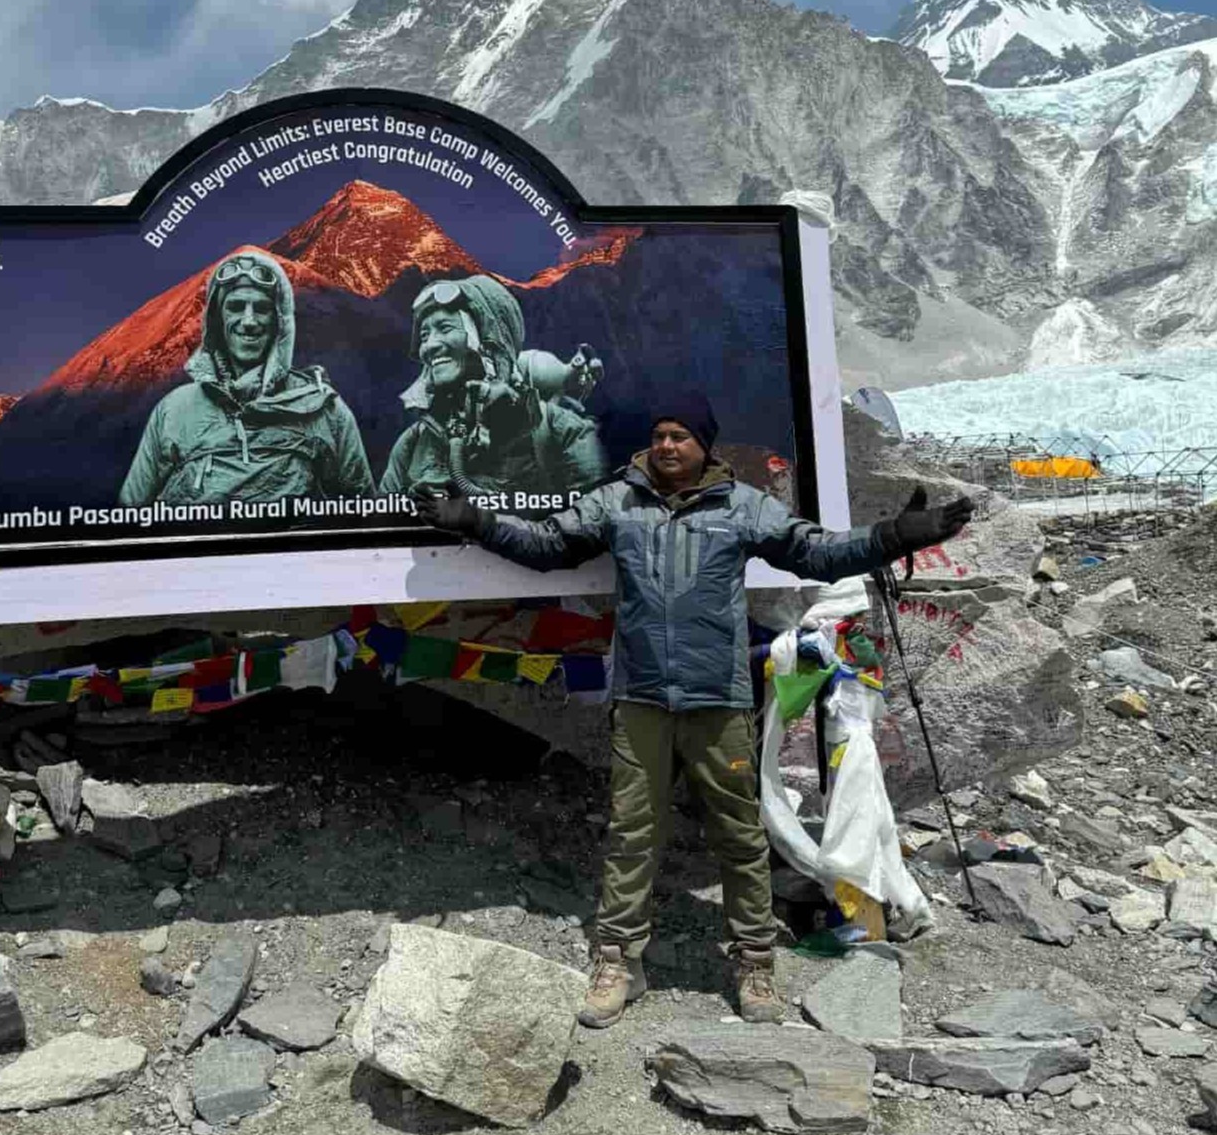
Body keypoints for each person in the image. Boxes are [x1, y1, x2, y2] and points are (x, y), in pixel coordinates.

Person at [415, 392, 971, 1027]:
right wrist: (477, 523)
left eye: (680, 435)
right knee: (631, 834)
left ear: (704, 444)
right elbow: (548, 546)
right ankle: (620, 960)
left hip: (720, 702)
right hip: (641, 700)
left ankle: (754, 964)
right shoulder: (615, 501)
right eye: (659, 433)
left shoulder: (741, 507)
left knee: (737, 836)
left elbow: (815, 553)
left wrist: (895, 538)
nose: (667, 445)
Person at [120, 249, 374, 506]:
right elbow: (128, 517)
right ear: (217, 319)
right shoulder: (174, 411)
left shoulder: (324, 410)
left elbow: (366, 515)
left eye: (262, 308)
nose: (249, 321)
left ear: (280, 321)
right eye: (236, 307)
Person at [380, 275, 607, 498]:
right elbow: (382, 526)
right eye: (424, 335)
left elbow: (591, 528)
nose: (429, 346)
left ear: (490, 341)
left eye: (445, 328)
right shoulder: (413, 444)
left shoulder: (563, 432)